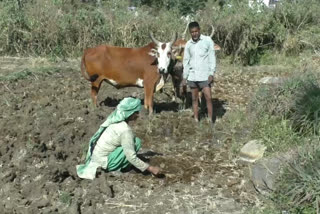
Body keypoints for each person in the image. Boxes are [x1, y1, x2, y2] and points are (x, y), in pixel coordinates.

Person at [76, 97, 160, 180]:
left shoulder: (114, 120)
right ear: (129, 113)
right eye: (136, 112)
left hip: (97, 157)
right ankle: (117, 167)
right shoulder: (125, 130)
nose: (138, 115)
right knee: (136, 143)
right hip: (104, 163)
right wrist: (150, 168)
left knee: (133, 142)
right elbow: (131, 157)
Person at [182, 21, 216, 122]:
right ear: (190, 33)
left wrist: (211, 73)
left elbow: (212, 57)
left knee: (208, 97)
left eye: (196, 31)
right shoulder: (188, 44)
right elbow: (186, 61)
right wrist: (185, 76)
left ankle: (211, 120)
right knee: (194, 98)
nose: (194, 34)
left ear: (199, 30)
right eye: (192, 32)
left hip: (205, 75)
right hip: (193, 76)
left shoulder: (207, 41)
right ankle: (196, 119)